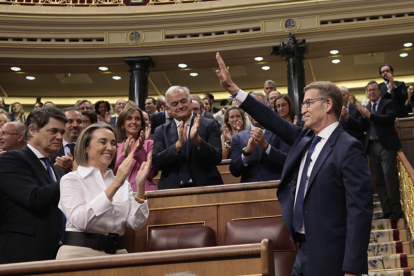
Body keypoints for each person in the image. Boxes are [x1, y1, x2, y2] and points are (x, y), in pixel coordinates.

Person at [215, 52, 372, 276]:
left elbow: (360, 211)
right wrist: (233, 89)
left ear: (328, 104)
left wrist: (353, 268)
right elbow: (271, 119)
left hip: (331, 253)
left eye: (308, 103)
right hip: (302, 247)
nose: (303, 109)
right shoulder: (305, 138)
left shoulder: (349, 147)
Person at [56, 124, 150, 259]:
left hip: (117, 253)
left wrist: (140, 187)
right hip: (78, 253)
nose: (110, 147)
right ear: (86, 148)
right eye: (102, 142)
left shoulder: (123, 183)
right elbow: (81, 221)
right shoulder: (71, 179)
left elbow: (136, 223)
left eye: (113, 143)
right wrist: (116, 183)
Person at [0, 107, 68, 264]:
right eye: (53, 131)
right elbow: (33, 198)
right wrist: (74, 177)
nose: (59, 137)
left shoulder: (57, 171)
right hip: (20, 255)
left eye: (62, 133)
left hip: (54, 254)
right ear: (31, 130)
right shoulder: (11, 159)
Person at [153, 86, 223, 189]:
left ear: (190, 102)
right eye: (174, 104)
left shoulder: (210, 125)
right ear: (169, 109)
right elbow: (157, 163)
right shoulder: (161, 131)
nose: (180, 106)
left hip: (207, 187)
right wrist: (177, 146)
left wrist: (197, 140)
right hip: (171, 190)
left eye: (183, 101)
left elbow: (217, 158)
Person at [354, 81, 402, 220]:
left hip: (385, 145)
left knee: (389, 177)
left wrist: (369, 115)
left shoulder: (387, 103)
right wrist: (357, 116)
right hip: (371, 146)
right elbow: (363, 127)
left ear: (380, 91)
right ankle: (386, 210)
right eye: (369, 90)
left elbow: (389, 119)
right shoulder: (366, 107)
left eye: (374, 89)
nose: (371, 92)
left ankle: (396, 210)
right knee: (378, 180)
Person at [230, 92, 289, 182]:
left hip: (277, 188)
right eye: (251, 107)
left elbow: (287, 161)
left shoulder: (280, 131)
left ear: (266, 109)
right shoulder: (238, 138)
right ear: (246, 111)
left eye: (259, 107)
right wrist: (246, 153)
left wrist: (266, 146)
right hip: (249, 191)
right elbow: (234, 171)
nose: (255, 111)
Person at [114, 106, 157, 192]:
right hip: (119, 192)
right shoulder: (115, 145)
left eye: (137, 119)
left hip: (145, 191)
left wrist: (140, 150)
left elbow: (152, 172)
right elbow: (112, 172)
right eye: (129, 118)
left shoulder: (149, 144)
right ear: (122, 123)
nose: (134, 122)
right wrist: (124, 155)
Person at [51, 107, 83, 173]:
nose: (75, 125)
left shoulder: (89, 147)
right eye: (70, 121)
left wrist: (72, 168)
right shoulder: (50, 146)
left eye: (79, 122)